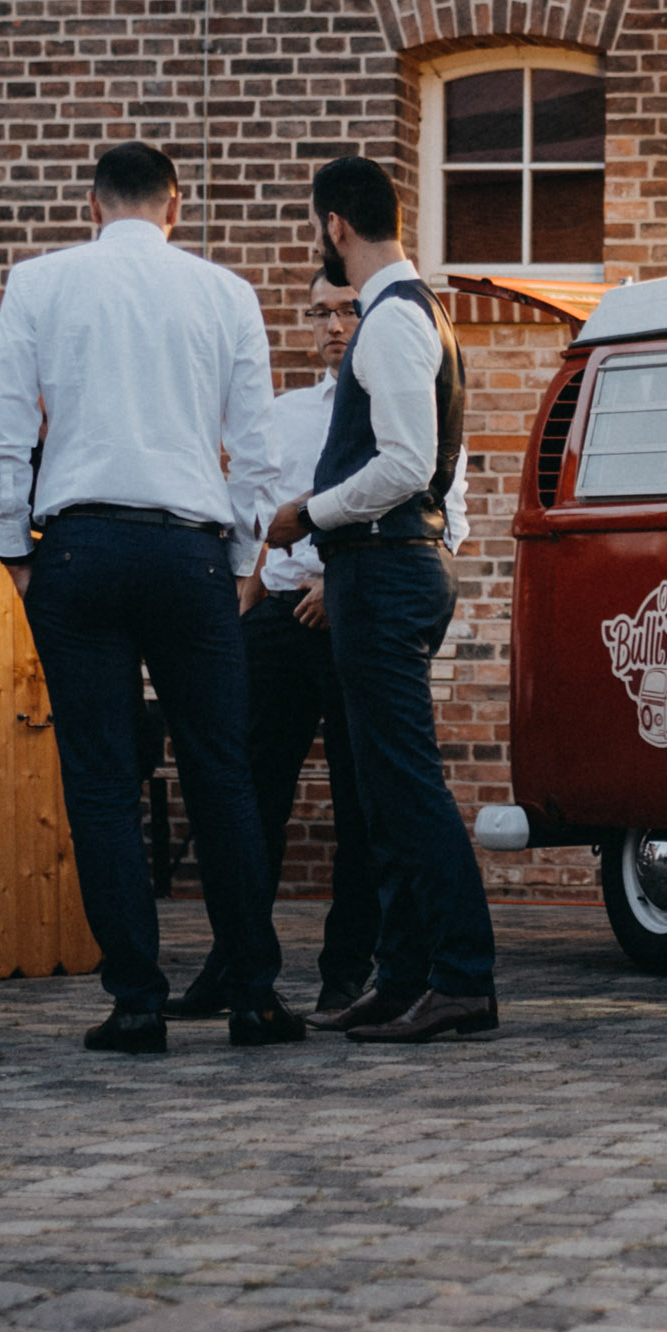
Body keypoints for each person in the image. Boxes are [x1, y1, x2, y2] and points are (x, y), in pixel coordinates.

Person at [0, 141, 299, 1054]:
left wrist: (15, 547)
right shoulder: (225, 291)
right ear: (176, 206)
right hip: (191, 550)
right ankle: (252, 994)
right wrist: (244, 556)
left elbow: (5, 431)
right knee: (222, 776)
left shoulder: (39, 282)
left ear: (92, 203)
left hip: (79, 547)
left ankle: (136, 1001)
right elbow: (257, 442)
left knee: (103, 781)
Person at [266, 153, 496, 1044]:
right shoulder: (408, 313)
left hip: (387, 566)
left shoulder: (395, 319)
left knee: (406, 784)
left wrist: (306, 513)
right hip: (385, 567)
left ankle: (464, 978)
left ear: (334, 226)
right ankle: (402, 979)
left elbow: (404, 463)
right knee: (385, 788)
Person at [203, 271, 470, 1020]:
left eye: (347, 309)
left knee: (365, 803)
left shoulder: (404, 385)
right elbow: (262, 512)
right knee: (250, 793)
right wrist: (249, 593)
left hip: (350, 604)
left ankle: (348, 971)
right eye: (318, 312)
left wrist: (337, 580)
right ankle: (235, 960)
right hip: (278, 618)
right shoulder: (285, 414)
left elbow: (444, 508)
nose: (332, 325)